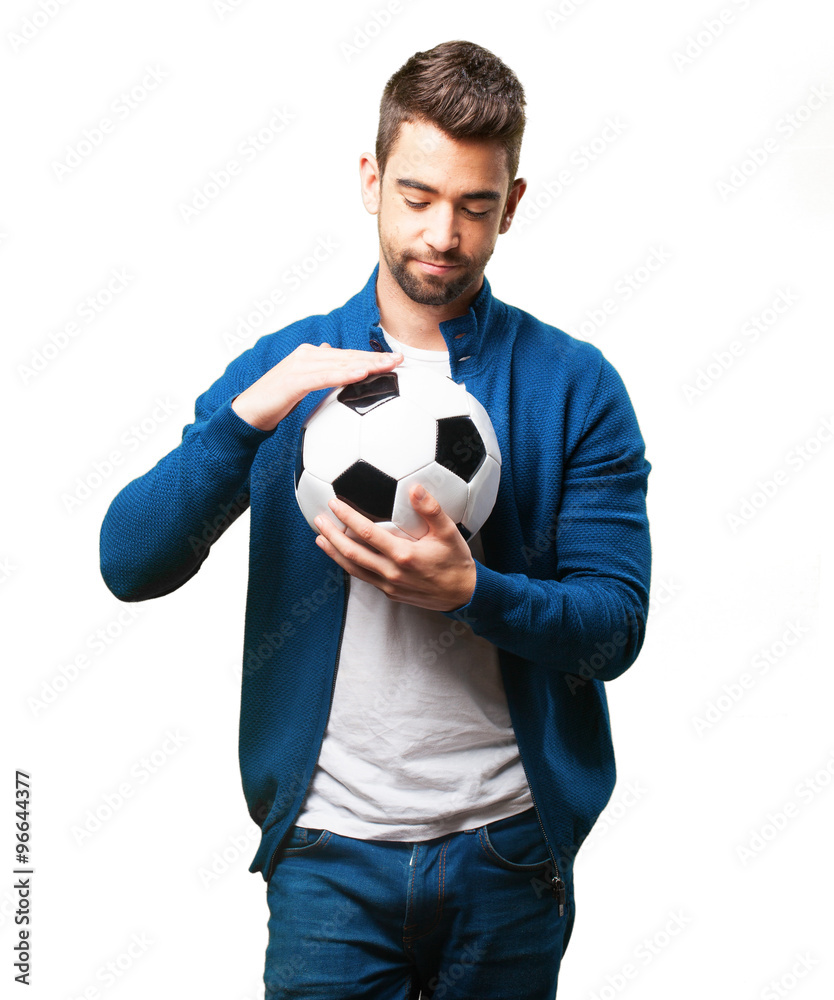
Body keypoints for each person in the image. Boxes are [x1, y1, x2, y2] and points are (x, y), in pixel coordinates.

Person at [99, 39, 652, 1000]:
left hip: (509, 855)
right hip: (328, 862)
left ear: (512, 204)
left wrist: (476, 593)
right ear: (370, 179)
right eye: (418, 196)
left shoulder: (575, 387)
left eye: (476, 205)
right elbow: (129, 561)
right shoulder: (288, 372)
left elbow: (614, 627)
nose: (444, 232)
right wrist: (240, 428)